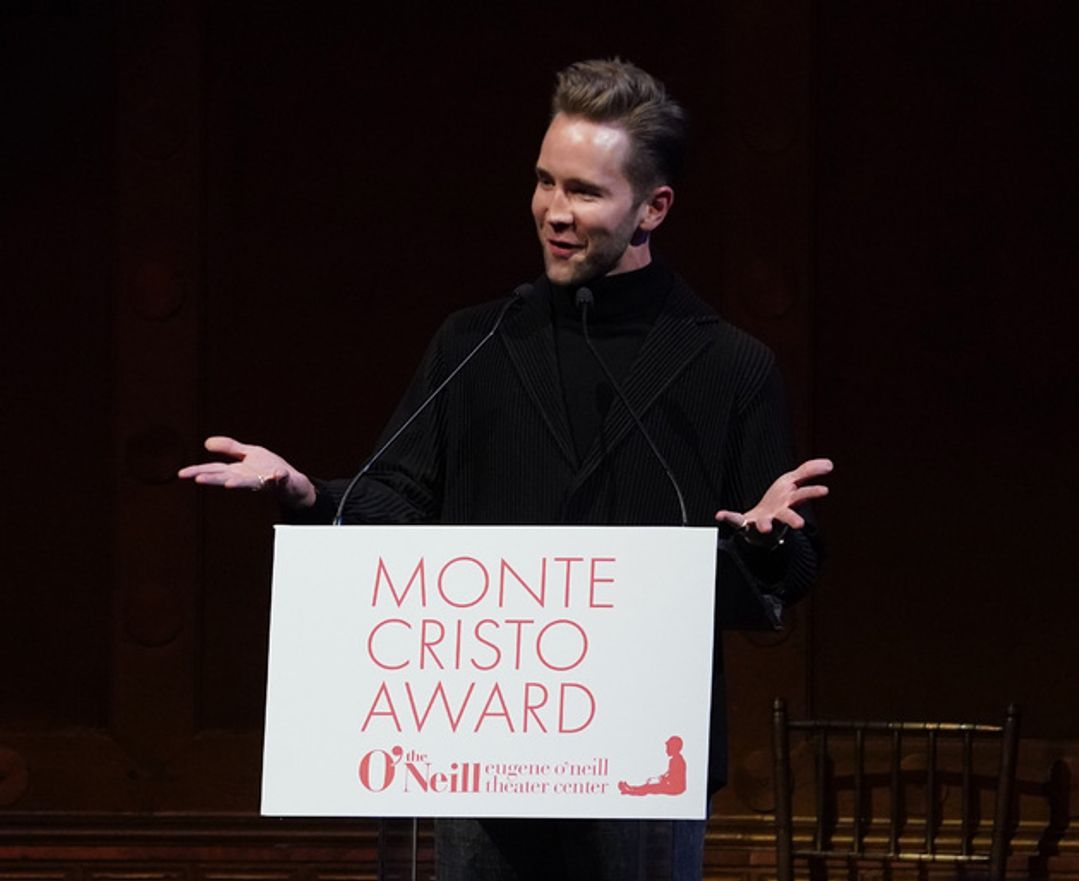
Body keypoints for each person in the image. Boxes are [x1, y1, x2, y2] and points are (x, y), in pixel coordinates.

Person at [180, 57, 832, 881]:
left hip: (640, 762)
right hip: (485, 757)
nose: (554, 213)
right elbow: (400, 498)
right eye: (544, 182)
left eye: (586, 192)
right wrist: (310, 496)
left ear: (652, 208)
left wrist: (767, 544)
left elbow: (790, 566)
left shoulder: (728, 366)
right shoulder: (477, 343)